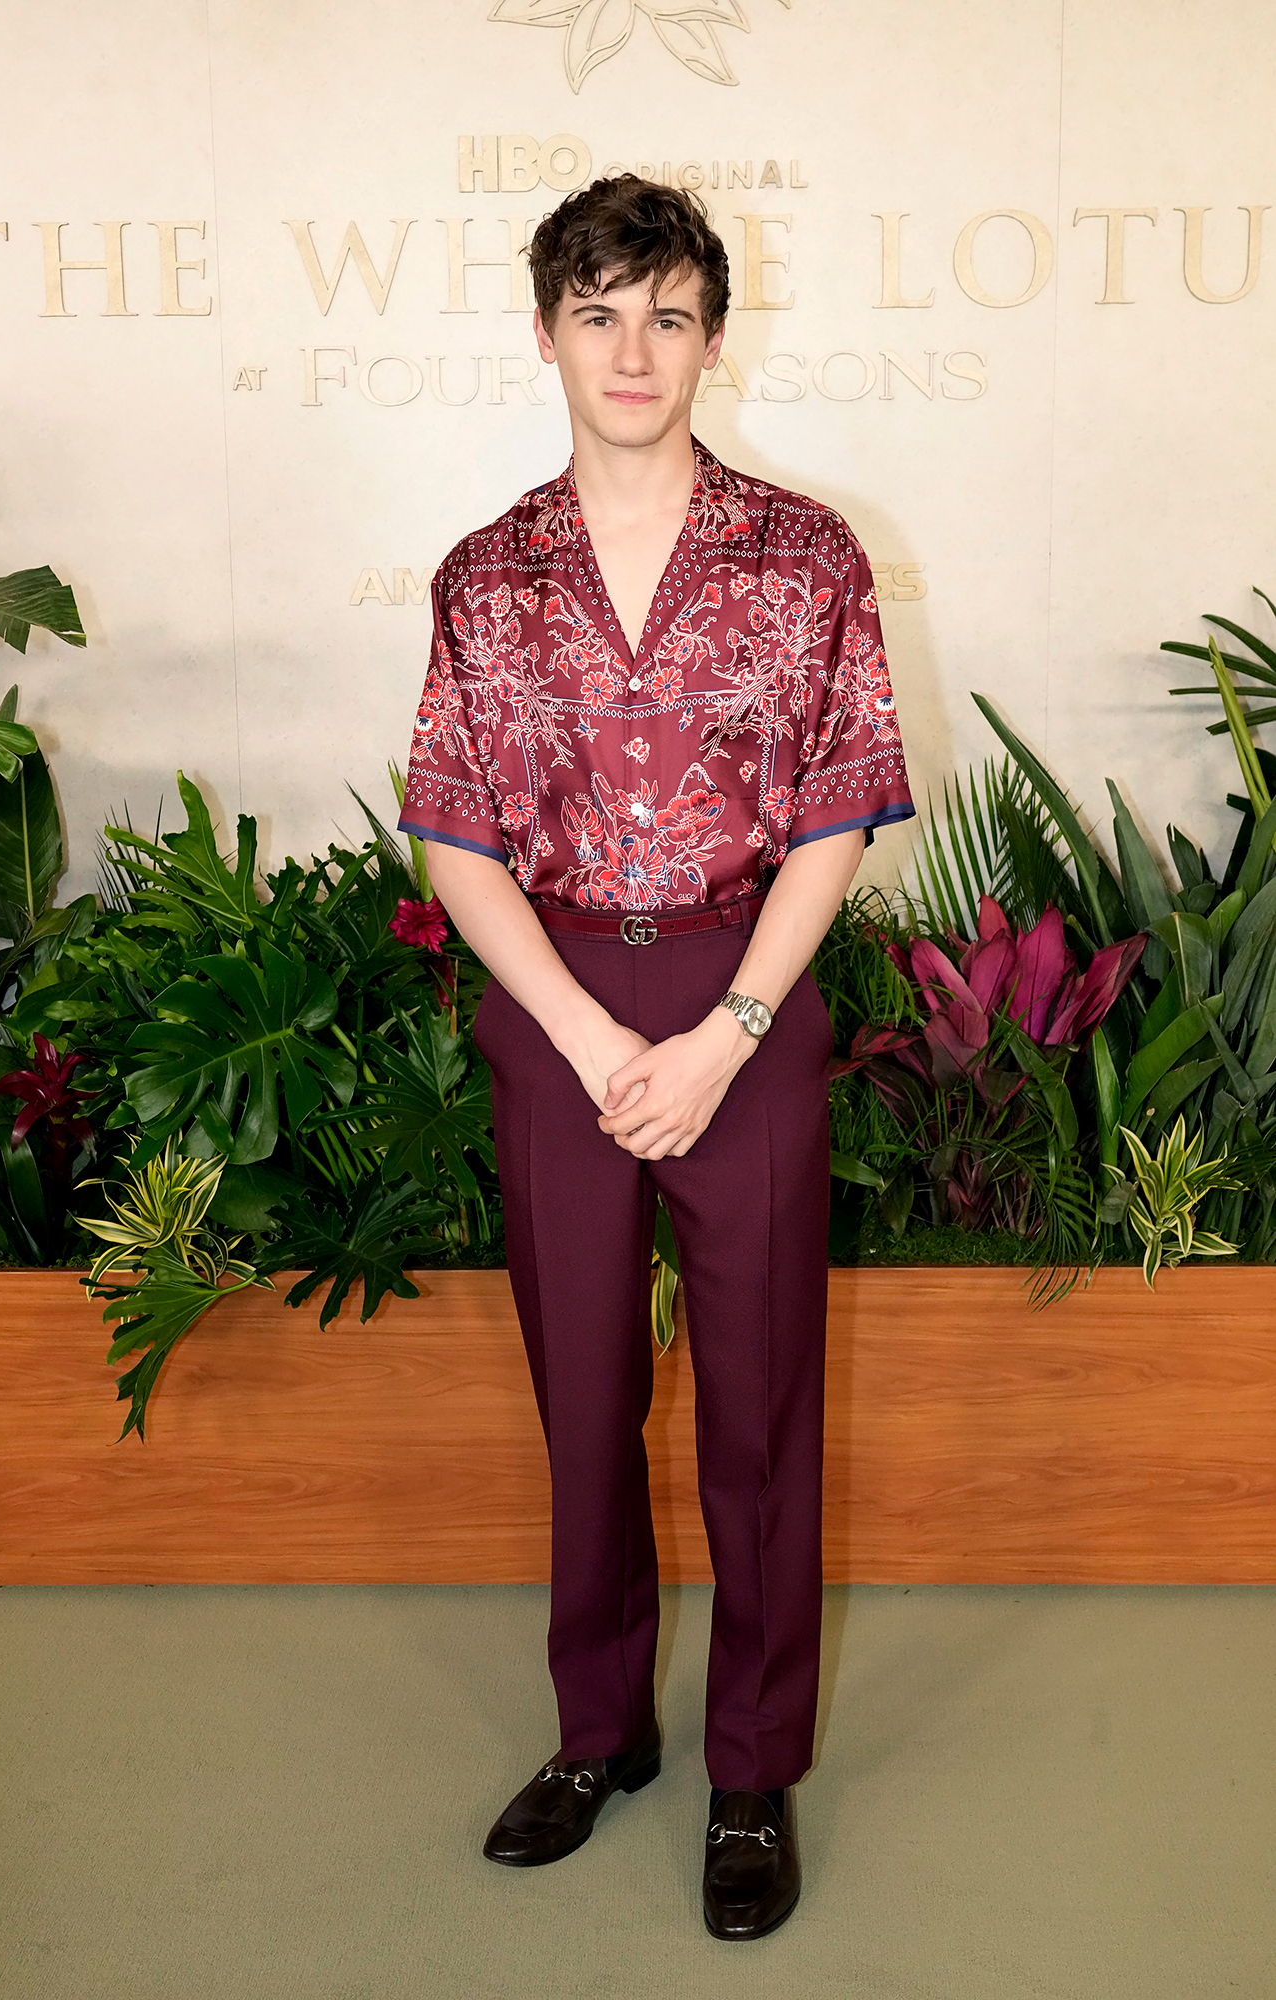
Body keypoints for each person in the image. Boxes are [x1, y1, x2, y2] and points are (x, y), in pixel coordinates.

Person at [396, 173, 914, 1940]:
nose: (632, 351)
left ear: (711, 338)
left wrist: (727, 1033)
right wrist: (590, 1032)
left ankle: (751, 1766)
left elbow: (838, 815)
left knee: (761, 1408)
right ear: (547, 334)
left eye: (666, 315)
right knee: (583, 1395)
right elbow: (457, 837)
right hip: (560, 1007)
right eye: (599, 315)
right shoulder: (484, 577)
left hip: (744, 998)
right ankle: (599, 1733)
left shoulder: (805, 557)